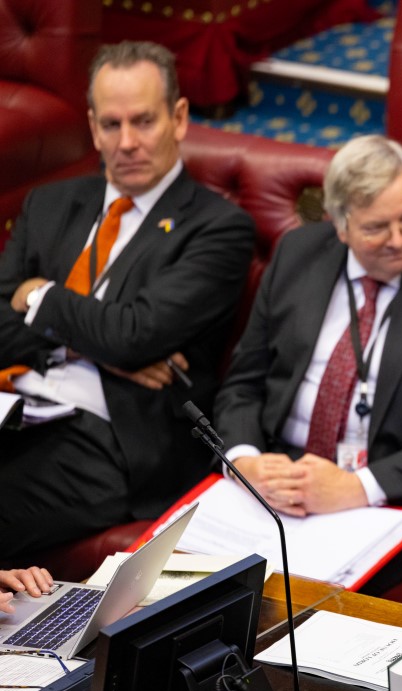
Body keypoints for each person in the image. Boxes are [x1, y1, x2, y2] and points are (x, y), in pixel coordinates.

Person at [214, 135, 402, 594]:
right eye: (376, 227)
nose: (399, 240)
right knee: (197, 583)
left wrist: (357, 487)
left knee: (292, 598)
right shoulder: (298, 255)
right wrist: (245, 461)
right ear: (340, 225)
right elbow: (244, 382)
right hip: (281, 484)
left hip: (392, 500)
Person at [0, 41, 255, 557]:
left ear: (179, 118)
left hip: (110, 440)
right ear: (93, 127)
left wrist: (40, 297)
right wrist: (90, 348)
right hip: (14, 408)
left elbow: (136, 334)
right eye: (112, 125)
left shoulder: (218, 228)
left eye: (144, 121)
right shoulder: (49, 204)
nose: (127, 142)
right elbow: (114, 340)